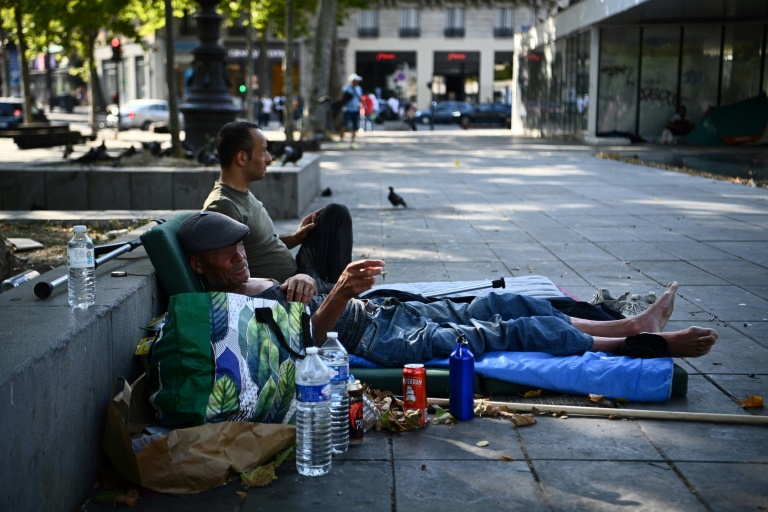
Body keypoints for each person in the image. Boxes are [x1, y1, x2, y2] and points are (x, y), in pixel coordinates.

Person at [177, 211, 720, 368]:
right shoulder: (227, 309)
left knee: (500, 300)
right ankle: (639, 345)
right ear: (201, 267)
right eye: (229, 252)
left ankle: (625, 323)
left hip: (381, 313)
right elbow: (309, 344)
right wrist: (337, 292)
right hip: (378, 344)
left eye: (241, 245)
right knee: (501, 329)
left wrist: (306, 278)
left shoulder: (245, 278)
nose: (240, 254)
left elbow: (296, 292)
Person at [202, 121, 353, 294]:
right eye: (263, 151)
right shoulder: (223, 207)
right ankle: (337, 297)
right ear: (242, 158)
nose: (269, 158)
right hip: (287, 288)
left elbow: (259, 246)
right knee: (348, 289)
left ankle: (335, 295)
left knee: (335, 214)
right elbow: (229, 276)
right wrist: (286, 284)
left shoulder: (241, 193)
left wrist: (295, 238)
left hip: (299, 272)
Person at [339, 73, 363, 147]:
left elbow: (360, 98)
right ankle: (341, 141)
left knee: (355, 127)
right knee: (345, 126)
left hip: (356, 110)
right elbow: (341, 98)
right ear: (352, 81)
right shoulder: (346, 88)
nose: (357, 82)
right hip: (347, 109)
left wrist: (362, 105)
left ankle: (352, 143)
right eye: (356, 80)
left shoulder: (359, 88)